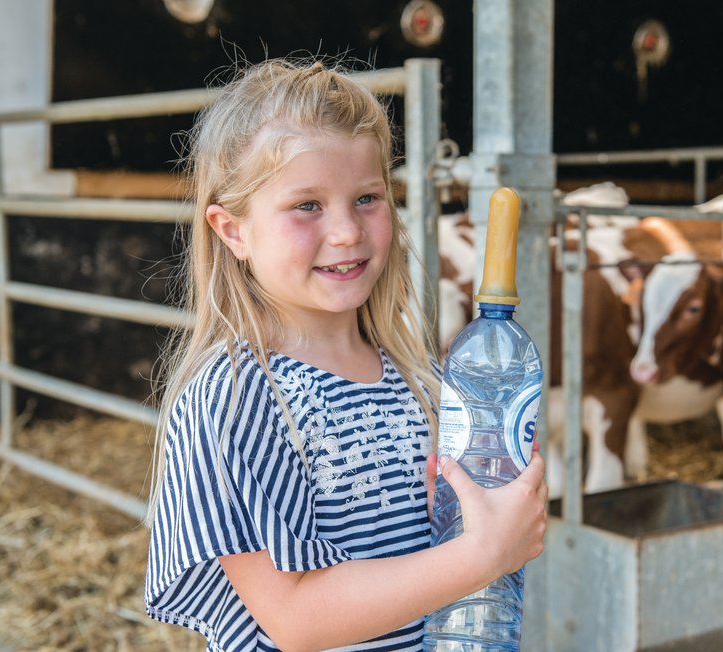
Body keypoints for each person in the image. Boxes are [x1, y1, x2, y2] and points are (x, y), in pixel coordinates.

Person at [143, 58, 549, 652]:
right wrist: (484, 553)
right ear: (232, 231)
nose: (346, 232)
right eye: (307, 205)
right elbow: (296, 617)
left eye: (366, 198)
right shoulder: (233, 399)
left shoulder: (417, 378)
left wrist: (500, 502)